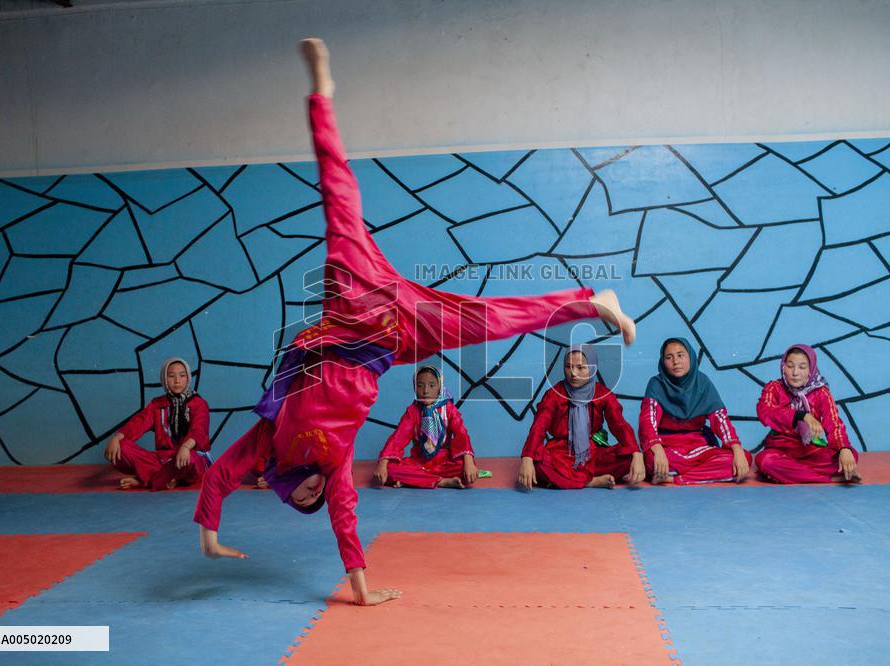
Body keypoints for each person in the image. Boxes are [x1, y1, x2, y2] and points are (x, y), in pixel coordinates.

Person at [193, 37, 637, 606]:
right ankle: (589, 303)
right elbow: (346, 519)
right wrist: (360, 587)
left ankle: (321, 95)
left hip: (350, 308)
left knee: (337, 197)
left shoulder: (268, 441)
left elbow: (220, 476)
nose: (313, 491)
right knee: (484, 322)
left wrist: (209, 533)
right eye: (311, 497)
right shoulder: (334, 465)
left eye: (305, 493)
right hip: (392, 336)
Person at [518, 345, 643, 489]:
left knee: (629, 457)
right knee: (536, 462)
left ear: (592, 368)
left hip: (592, 454)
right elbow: (539, 426)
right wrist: (527, 458)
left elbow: (620, 425)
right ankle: (591, 482)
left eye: (580, 368)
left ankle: (568, 480)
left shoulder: (603, 394)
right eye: (568, 366)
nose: (573, 373)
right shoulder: (554, 394)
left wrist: (636, 453)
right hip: (560, 455)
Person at [639, 338, 750, 484]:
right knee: (654, 461)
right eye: (669, 357)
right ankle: (702, 474)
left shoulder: (703, 383)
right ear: (663, 362)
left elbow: (720, 419)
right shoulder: (656, 385)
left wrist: (736, 448)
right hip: (667, 448)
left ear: (690, 357)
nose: (676, 361)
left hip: (699, 447)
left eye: (680, 355)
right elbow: (647, 422)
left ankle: (676, 478)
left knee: (743, 458)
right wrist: (658, 450)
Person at [755, 344, 860, 483]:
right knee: (765, 461)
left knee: (850, 455)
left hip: (810, 450)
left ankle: (787, 474)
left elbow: (834, 423)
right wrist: (801, 415)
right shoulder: (773, 388)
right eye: (790, 366)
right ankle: (827, 479)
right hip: (780, 449)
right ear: (783, 368)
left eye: (802, 367)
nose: (795, 373)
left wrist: (843, 448)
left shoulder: (821, 392)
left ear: (811, 369)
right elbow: (766, 412)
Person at [104, 357, 210, 490]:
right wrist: (118, 437)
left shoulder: (199, 404)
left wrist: (186, 447)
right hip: (163, 460)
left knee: (192, 460)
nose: (177, 380)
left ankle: (146, 481)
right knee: (120, 448)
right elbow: (139, 422)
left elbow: (199, 430)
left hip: (190, 455)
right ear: (164, 379)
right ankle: (168, 479)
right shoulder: (157, 405)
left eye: (182, 375)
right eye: (171, 376)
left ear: (188, 378)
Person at [374, 365, 477, 489]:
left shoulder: (449, 410)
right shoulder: (413, 411)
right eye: (420, 385)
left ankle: (414, 481)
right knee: (390, 470)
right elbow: (398, 438)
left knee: (464, 467)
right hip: (418, 462)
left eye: (432, 385)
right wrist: (383, 464)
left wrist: (469, 462)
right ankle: (442, 482)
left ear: (440, 387)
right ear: (415, 387)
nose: (426, 391)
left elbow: (462, 434)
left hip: (444, 463)